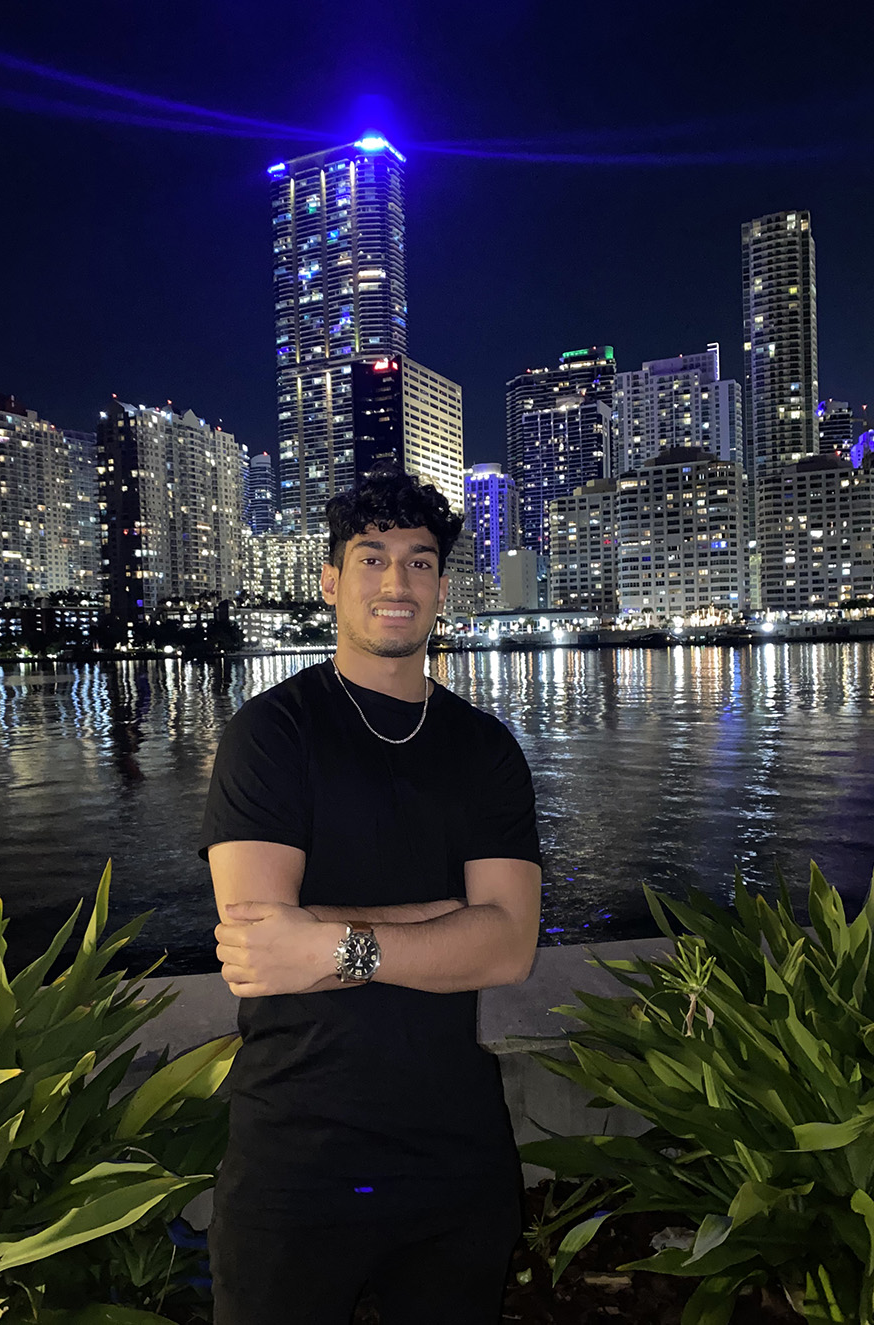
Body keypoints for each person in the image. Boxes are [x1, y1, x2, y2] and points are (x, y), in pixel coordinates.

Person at [200, 463, 542, 1325]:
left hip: (456, 1155)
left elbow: (509, 946)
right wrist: (444, 919)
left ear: (442, 588)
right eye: (372, 558)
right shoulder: (272, 733)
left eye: (420, 562)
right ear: (330, 581)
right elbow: (260, 948)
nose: (398, 581)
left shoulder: (485, 749)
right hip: (296, 1157)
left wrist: (326, 938)